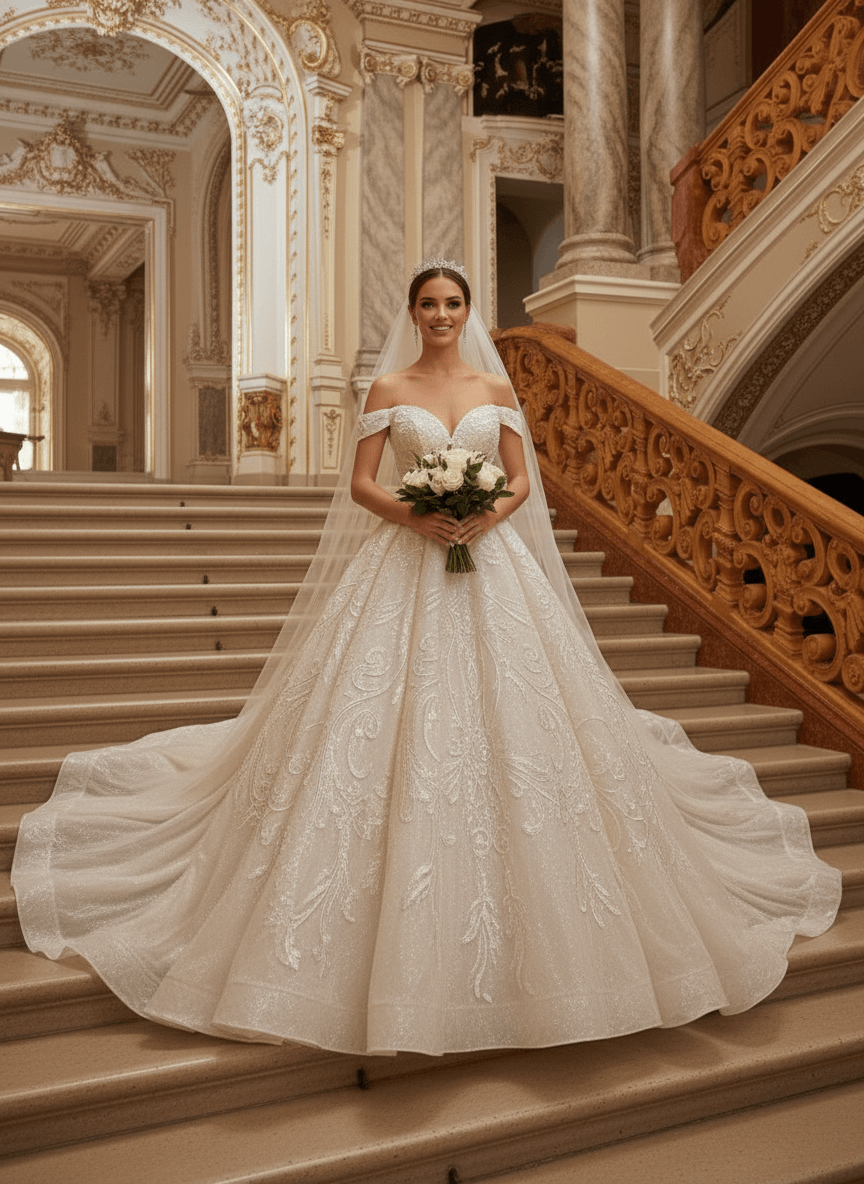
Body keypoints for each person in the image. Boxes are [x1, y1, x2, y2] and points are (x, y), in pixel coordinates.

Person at [11, 260, 841, 1056]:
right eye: (429, 304)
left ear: (466, 312)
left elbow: (521, 479)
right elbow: (363, 484)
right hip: (407, 559)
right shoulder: (390, 389)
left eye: (453, 304)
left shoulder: (492, 390)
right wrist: (418, 515)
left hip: (490, 560)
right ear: (412, 314)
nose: (441, 316)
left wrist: (485, 515)